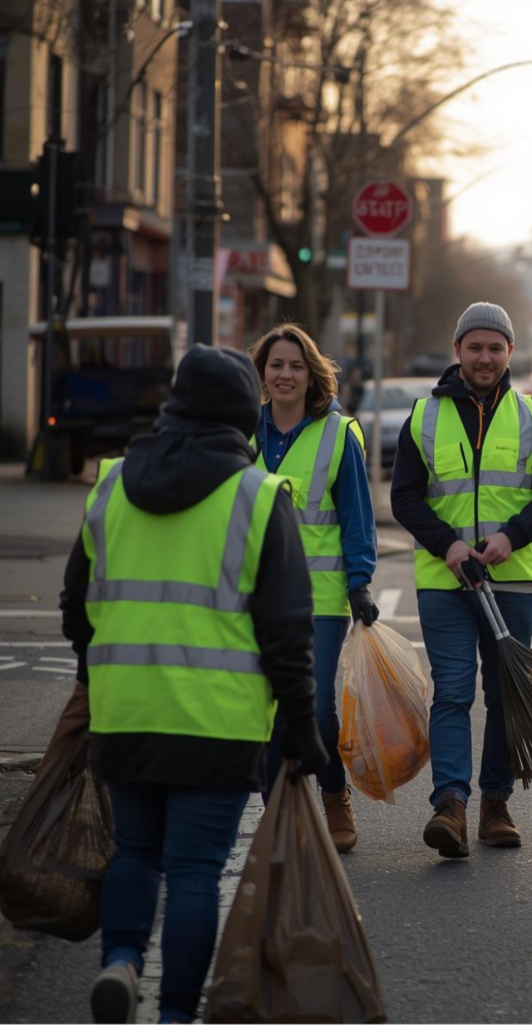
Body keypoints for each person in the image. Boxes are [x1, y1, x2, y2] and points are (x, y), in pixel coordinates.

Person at [60, 345, 329, 1025]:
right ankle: (176, 1012)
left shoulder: (112, 484)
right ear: (244, 416)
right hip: (217, 721)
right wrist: (301, 725)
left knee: (135, 851)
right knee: (192, 871)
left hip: (124, 714)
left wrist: (103, 675)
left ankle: (120, 961)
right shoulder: (259, 497)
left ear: (173, 405)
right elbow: (287, 630)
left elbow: (74, 604)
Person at [391, 302, 532, 858]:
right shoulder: (422, 416)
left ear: (510, 352)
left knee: (504, 695)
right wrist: (448, 545)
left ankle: (496, 803)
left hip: (510, 579)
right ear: (458, 351)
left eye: (495, 347)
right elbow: (403, 497)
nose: (485, 357)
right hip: (445, 581)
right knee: (452, 692)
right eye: (475, 347)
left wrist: (510, 537)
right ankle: (451, 804)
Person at [248, 324, 379, 853]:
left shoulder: (337, 433)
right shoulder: (242, 433)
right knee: (260, 710)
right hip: (254, 599)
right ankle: (277, 807)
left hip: (321, 598)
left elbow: (356, 514)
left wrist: (360, 582)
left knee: (318, 711)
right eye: (276, 365)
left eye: (296, 366)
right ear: (262, 373)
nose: (285, 374)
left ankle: (332, 793)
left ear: (311, 375)